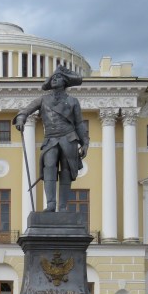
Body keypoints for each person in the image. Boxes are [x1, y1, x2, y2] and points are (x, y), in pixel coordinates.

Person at [13, 65, 90, 212]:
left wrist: (85, 142)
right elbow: (26, 110)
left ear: (65, 82)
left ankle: (62, 206)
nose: (54, 80)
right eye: (53, 78)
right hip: (51, 139)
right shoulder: (43, 100)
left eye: (58, 77)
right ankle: (51, 204)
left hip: (69, 138)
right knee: (49, 166)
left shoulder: (73, 101)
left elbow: (79, 123)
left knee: (66, 170)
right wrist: (21, 118)